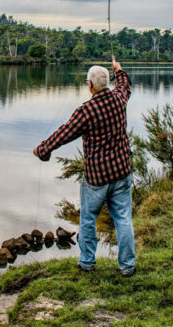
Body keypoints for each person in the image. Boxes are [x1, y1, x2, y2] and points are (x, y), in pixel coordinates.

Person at [33, 56, 135, 277]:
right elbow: (124, 85)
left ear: (90, 85)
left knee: (88, 218)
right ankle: (127, 266)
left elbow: (64, 133)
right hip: (121, 172)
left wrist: (43, 149)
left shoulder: (86, 111)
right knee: (123, 219)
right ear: (106, 83)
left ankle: (87, 262)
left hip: (97, 178)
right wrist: (119, 69)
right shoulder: (119, 99)